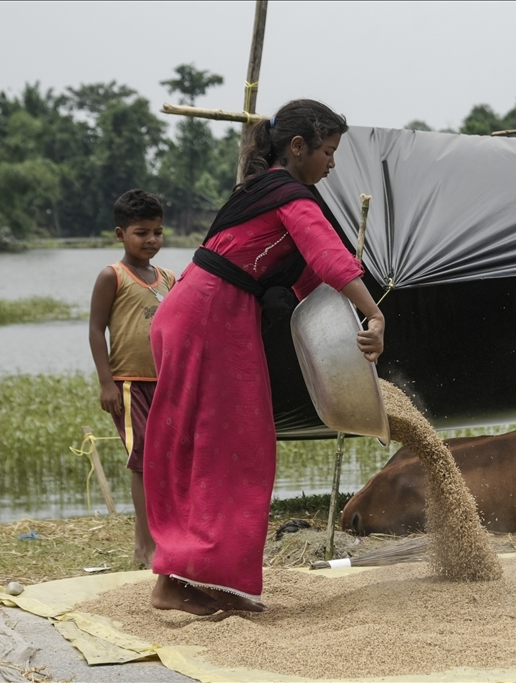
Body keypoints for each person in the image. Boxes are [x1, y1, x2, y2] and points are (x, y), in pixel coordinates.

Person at [144, 100, 385, 615]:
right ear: (297, 148)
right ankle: (173, 581)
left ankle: (201, 576)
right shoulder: (290, 195)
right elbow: (326, 256)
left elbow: (308, 277)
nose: (332, 164)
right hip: (207, 316)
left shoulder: (270, 192)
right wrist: (375, 316)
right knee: (223, 448)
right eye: (327, 151)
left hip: (207, 312)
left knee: (225, 445)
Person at [88, 189, 174, 569]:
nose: (151, 240)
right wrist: (106, 383)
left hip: (165, 384)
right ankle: (145, 545)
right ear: (120, 234)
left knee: (166, 460)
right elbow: (95, 330)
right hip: (127, 384)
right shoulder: (113, 276)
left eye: (157, 232)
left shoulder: (168, 277)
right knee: (142, 461)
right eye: (142, 232)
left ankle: (162, 539)